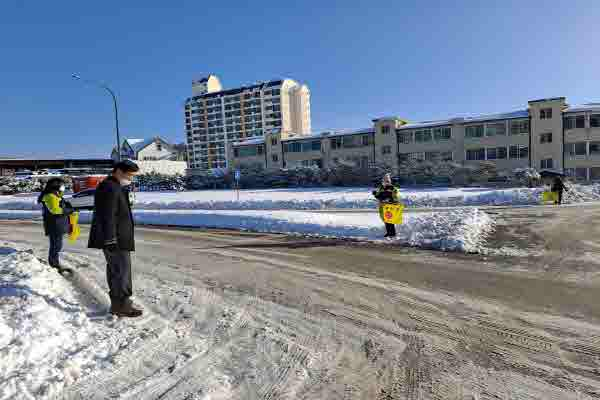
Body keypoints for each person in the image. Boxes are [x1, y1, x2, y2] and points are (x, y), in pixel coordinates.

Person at [88, 160, 142, 317]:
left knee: (117, 271)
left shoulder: (114, 186)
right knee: (121, 272)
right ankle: (122, 306)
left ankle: (119, 305)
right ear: (119, 171)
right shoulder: (110, 187)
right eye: (130, 175)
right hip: (116, 240)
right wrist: (110, 239)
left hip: (117, 238)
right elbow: (108, 215)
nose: (131, 179)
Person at [37, 178, 74, 270]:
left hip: (57, 224)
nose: (63, 188)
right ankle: (54, 265)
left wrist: (67, 206)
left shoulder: (55, 195)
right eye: (62, 186)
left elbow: (60, 206)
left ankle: (54, 263)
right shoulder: (50, 196)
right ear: (56, 186)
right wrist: (68, 210)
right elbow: (55, 210)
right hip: (54, 225)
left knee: (57, 245)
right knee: (56, 245)